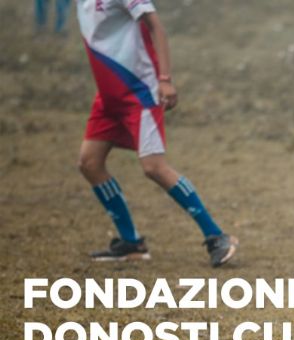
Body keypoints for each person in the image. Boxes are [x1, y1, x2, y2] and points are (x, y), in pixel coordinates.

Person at [75, 0, 237, 267]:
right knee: (89, 163)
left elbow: (156, 27)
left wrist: (165, 80)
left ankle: (217, 236)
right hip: (108, 97)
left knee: (154, 167)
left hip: (140, 91)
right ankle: (131, 243)